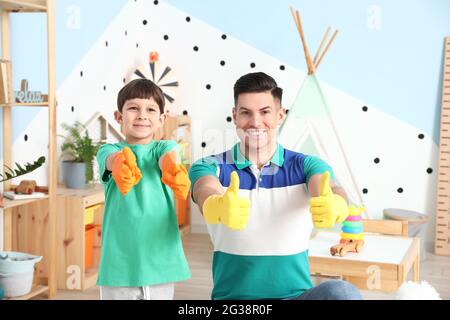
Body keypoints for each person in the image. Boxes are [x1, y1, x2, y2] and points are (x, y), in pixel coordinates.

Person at [189, 72, 362, 300]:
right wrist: (214, 203)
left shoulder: (305, 164)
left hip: (295, 297)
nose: (255, 122)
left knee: (342, 292)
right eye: (246, 113)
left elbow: (327, 186)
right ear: (235, 116)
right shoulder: (211, 165)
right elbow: (204, 187)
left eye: (265, 112)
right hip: (235, 302)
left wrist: (337, 201)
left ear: (280, 115)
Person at [96, 78, 191, 300]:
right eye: (133, 108)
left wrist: (171, 166)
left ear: (161, 119)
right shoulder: (108, 149)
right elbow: (109, 160)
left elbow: (168, 156)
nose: (142, 115)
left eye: (150, 109)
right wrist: (119, 163)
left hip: (159, 257)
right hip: (119, 261)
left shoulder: (164, 147)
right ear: (119, 116)